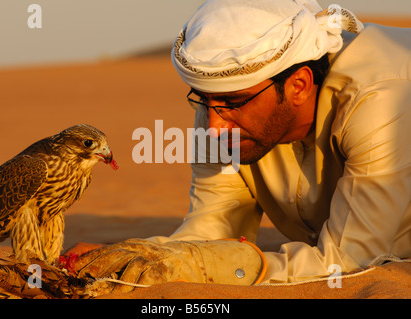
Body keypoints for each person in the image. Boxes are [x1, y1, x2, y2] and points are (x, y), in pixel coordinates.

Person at [68, 0, 410, 290]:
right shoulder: (219, 113)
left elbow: (347, 264)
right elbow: (214, 227)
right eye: (204, 101)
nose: (214, 128)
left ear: (299, 85)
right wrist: (133, 256)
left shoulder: (380, 99)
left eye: (234, 103)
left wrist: (196, 265)